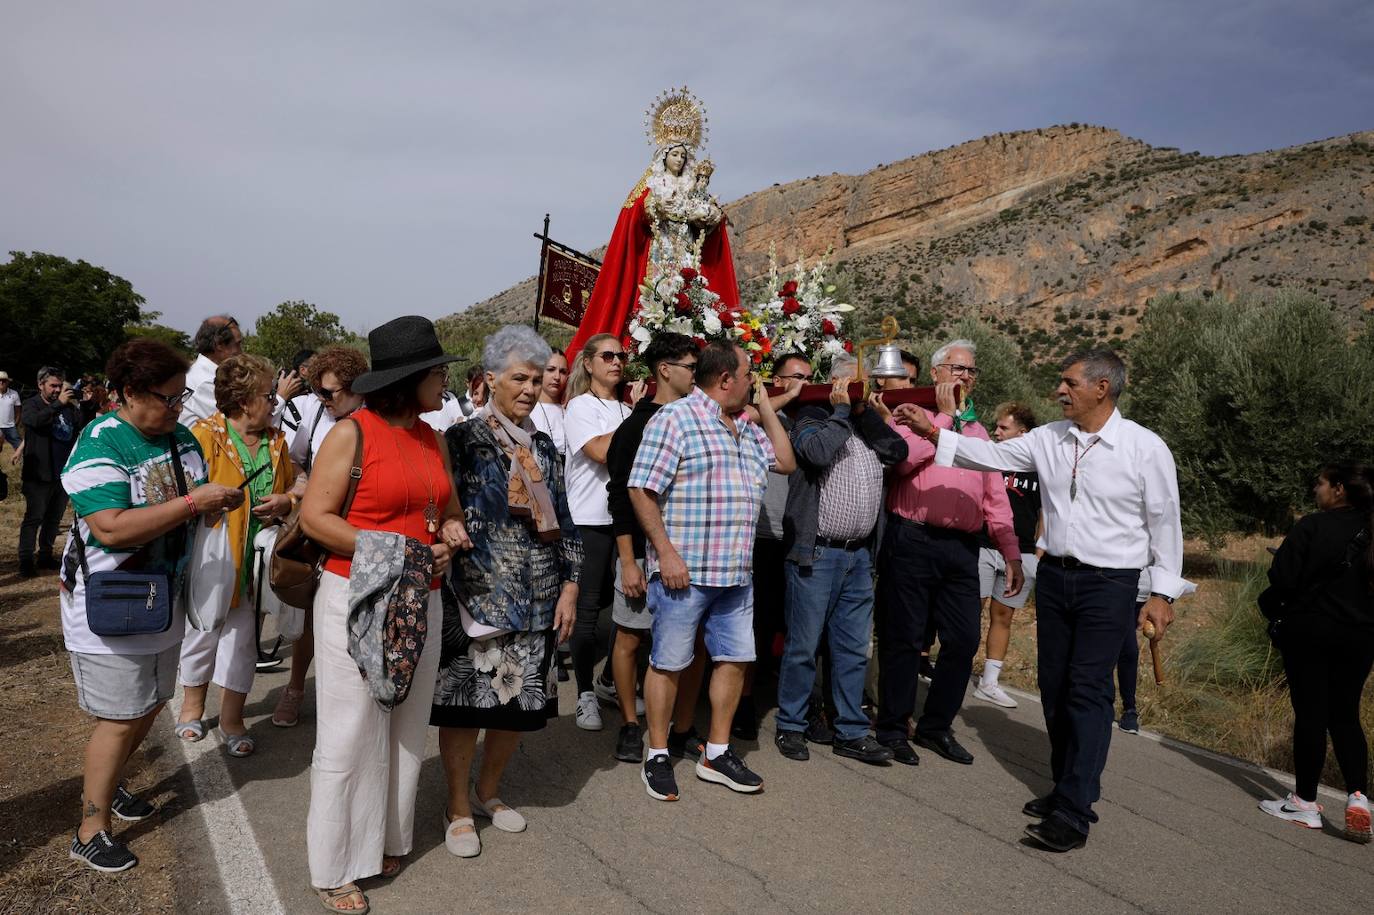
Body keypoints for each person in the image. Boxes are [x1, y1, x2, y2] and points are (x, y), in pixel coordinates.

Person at [895, 347, 1188, 853]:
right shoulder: (1049, 439)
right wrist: (931, 430)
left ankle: (1075, 810)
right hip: (1055, 577)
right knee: (1054, 687)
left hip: (1111, 583)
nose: (1059, 391)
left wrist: (1163, 592)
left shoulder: (1145, 448)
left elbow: (1165, 523)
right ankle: (1065, 786)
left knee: (1088, 689)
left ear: (1102, 387)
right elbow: (988, 456)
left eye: (1069, 383)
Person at [300, 316, 470, 912]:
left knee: (405, 724)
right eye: (438, 370)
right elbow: (315, 520)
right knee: (349, 733)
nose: (445, 377)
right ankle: (334, 864)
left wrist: (450, 533)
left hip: (419, 597)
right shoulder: (352, 434)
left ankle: (384, 839)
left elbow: (445, 506)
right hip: (356, 599)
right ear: (412, 377)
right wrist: (398, 550)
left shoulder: (432, 435)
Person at [60, 339, 244, 873]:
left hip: (164, 598)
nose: (178, 407)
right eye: (167, 397)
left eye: (181, 395)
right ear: (129, 393)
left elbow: (188, 505)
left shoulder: (181, 438)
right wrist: (193, 502)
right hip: (111, 603)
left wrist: (215, 505)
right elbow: (111, 528)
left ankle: (111, 785)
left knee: (149, 703)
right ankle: (90, 827)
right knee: (119, 717)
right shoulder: (101, 444)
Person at [432, 325, 582, 859]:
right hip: (477, 597)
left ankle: (487, 791)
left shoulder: (543, 445)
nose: (529, 388)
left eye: (537, 380)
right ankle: (454, 805)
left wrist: (570, 586)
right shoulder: (461, 441)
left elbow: (564, 519)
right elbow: (439, 511)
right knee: (465, 706)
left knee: (516, 706)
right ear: (490, 379)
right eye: (519, 377)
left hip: (538, 599)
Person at [629, 340, 796, 801]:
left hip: (735, 573)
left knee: (735, 660)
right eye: (750, 377)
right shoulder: (676, 419)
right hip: (686, 570)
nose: (754, 383)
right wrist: (665, 553)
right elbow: (641, 489)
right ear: (726, 379)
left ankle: (716, 753)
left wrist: (762, 402)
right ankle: (657, 753)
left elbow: (786, 461)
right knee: (668, 664)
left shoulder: (746, 426)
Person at [875, 340, 1021, 768]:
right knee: (904, 637)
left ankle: (936, 726)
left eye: (971, 371)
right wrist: (939, 422)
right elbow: (901, 464)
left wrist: (1010, 551)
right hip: (913, 538)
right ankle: (892, 727)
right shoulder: (906, 415)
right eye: (957, 368)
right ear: (936, 373)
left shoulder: (978, 432)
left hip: (962, 547)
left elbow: (996, 497)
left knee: (963, 639)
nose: (965, 376)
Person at [774, 358, 907, 766]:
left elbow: (898, 450)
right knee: (803, 645)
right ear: (833, 384)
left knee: (852, 649)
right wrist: (842, 411)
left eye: (864, 383)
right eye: (852, 382)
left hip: (859, 556)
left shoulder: (866, 424)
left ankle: (849, 729)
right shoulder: (811, 418)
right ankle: (791, 725)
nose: (859, 388)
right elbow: (815, 452)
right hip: (817, 551)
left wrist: (864, 415)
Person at [175, 355, 296, 757]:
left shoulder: (278, 442)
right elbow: (181, 493)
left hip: (256, 564)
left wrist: (285, 500)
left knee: (242, 642)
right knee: (202, 633)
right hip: (212, 559)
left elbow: (296, 487)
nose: (274, 401)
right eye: (267, 394)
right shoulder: (203, 435)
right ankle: (191, 707)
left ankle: (231, 719)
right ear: (244, 401)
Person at [568, 88, 739, 358]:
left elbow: (708, 212)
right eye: (674, 155)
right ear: (663, 156)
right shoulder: (652, 185)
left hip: (686, 253)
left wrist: (711, 217)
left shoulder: (692, 186)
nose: (679, 160)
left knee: (687, 297)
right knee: (657, 297)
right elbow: (634, 213)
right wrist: (655, 207)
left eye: (683, 156)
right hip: (659, 253)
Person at [1257, 462, 1374, 844]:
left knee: (1311, 713)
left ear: (1338, 489)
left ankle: (1305, 802)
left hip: (1311, 630)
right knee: (1345, 715)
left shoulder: (1313, 525)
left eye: (1320, 483)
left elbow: (1283, 579)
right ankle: (1358, 798)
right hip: (1361, 637)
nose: (1316, 489)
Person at [603, 333, 702, 762]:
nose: (696, 375)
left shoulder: (697, 419)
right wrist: (628, 561)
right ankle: (629, 723)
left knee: (683, 643)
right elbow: (622, 497)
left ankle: (681, 726)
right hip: (642, 552)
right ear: (665, 370)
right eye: (690, 367)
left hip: (686, 552)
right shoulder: (636, 426)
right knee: (629, 637)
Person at [271, 345, 369, 728]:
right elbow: (299, 465)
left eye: (330, 393)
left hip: (360, 529)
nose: (323, 400)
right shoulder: (314, 412)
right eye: (319, 392)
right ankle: (295, 690)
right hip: (319, 528)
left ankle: (351, 705)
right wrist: (296, 497)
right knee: (310, 617)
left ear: (356, 387)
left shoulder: (374, 418)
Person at [564, 333, 637, 731]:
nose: (616, 361)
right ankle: (584, 692)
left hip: (625, 519)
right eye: (607, 355)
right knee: (588, 609)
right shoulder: (579, 407)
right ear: (589, 364)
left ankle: (611, 679)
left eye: (621, 356)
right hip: (589, 517)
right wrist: (640, 417)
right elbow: (601, 452)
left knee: (627, 605)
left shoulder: (629, 409)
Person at [734, 353, 809, 740]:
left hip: (794, 535)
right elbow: (746, 414)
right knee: (751, 624)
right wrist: (778, 398)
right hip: (761, 535)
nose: (801, 385)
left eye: (808, 379)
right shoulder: (758, 414)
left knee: (779, 624)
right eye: (793, 378)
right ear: (772, 380)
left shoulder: (809, 418)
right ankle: (743, 702)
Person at [973, 402, 1044, 710]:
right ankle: (955, 666)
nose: (996, 432)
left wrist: (1039, 552)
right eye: (996, 426)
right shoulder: (989, 458)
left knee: (1003, 617)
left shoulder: (1041, 465)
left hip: (1024, 553)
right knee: (968, 610)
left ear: (1023, 432)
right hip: (983, 546)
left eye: (1004, 427)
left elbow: (1046, 512)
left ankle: (989, 683)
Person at [19, 367, 84, 577]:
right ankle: (26, 559)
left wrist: (88, 402)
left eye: (59, 385)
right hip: (39, 474)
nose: (57, 390)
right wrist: (58, 404)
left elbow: (80, 424)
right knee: (34, 517)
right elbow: (34, 422)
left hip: (62, 474)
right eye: (53, 385)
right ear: (41, 385)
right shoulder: (32, 404)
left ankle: (45, 555)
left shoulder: (67, 407)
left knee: (54, 519)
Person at [180, 315, 243, 427]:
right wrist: (280, 397)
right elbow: (239, 423)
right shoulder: (206, 383)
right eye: (237, 345)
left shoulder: (206, 375)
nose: (241, 352)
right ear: (219, 345)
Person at [530, 350, 570, 459]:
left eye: (563, 371)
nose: (557, 377)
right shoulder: (527, 410)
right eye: (551, 370)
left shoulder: (571, 410)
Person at [0, 370, 21, 456]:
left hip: (10, 426)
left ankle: (24, 465)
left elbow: (18, 411)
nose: (1, 382)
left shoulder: (14, 394)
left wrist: (15, 424)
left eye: (4, 380)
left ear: (7, 382)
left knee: (20, 446)